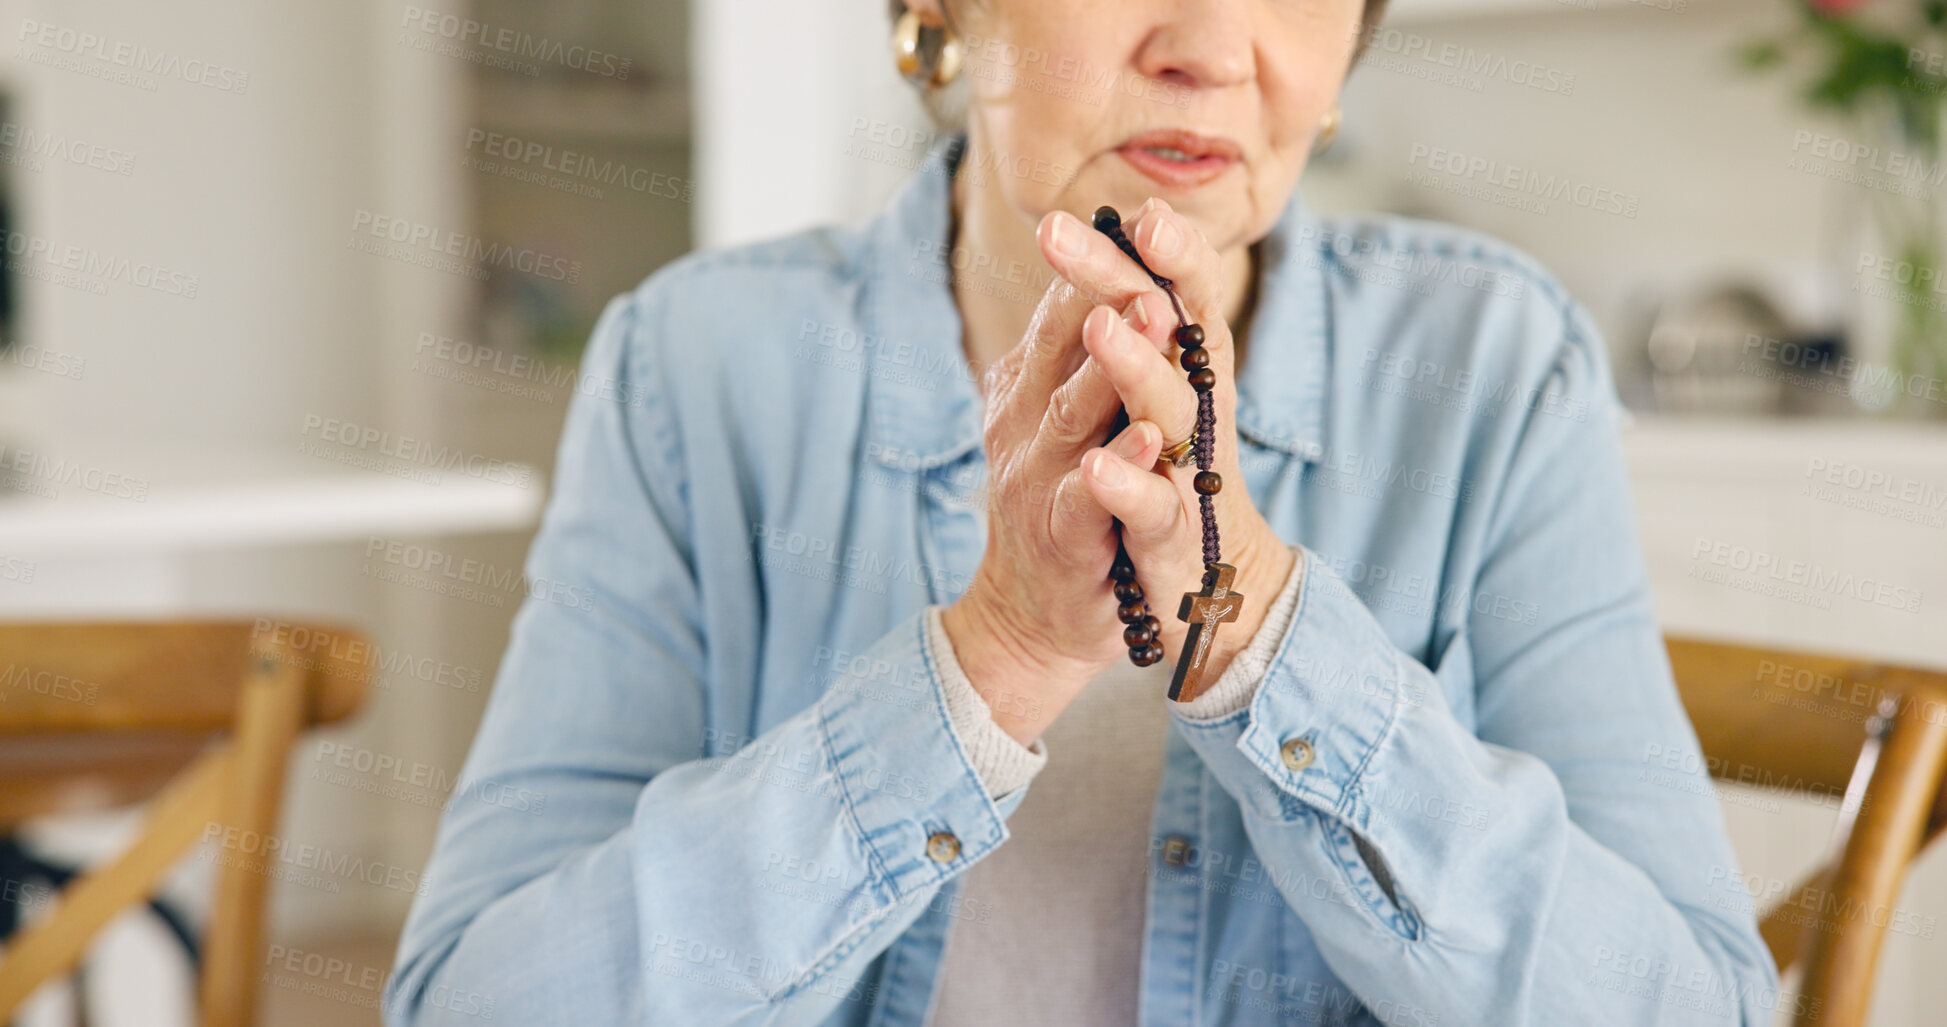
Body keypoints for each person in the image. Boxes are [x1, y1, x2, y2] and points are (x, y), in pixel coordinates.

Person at [384, 0, 1780, 1023]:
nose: (1215, 48)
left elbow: (1689, 1009)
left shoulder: (1490, 366)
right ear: (939, 13)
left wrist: (1260, 639)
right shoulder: (698, 367)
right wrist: (996, 654)